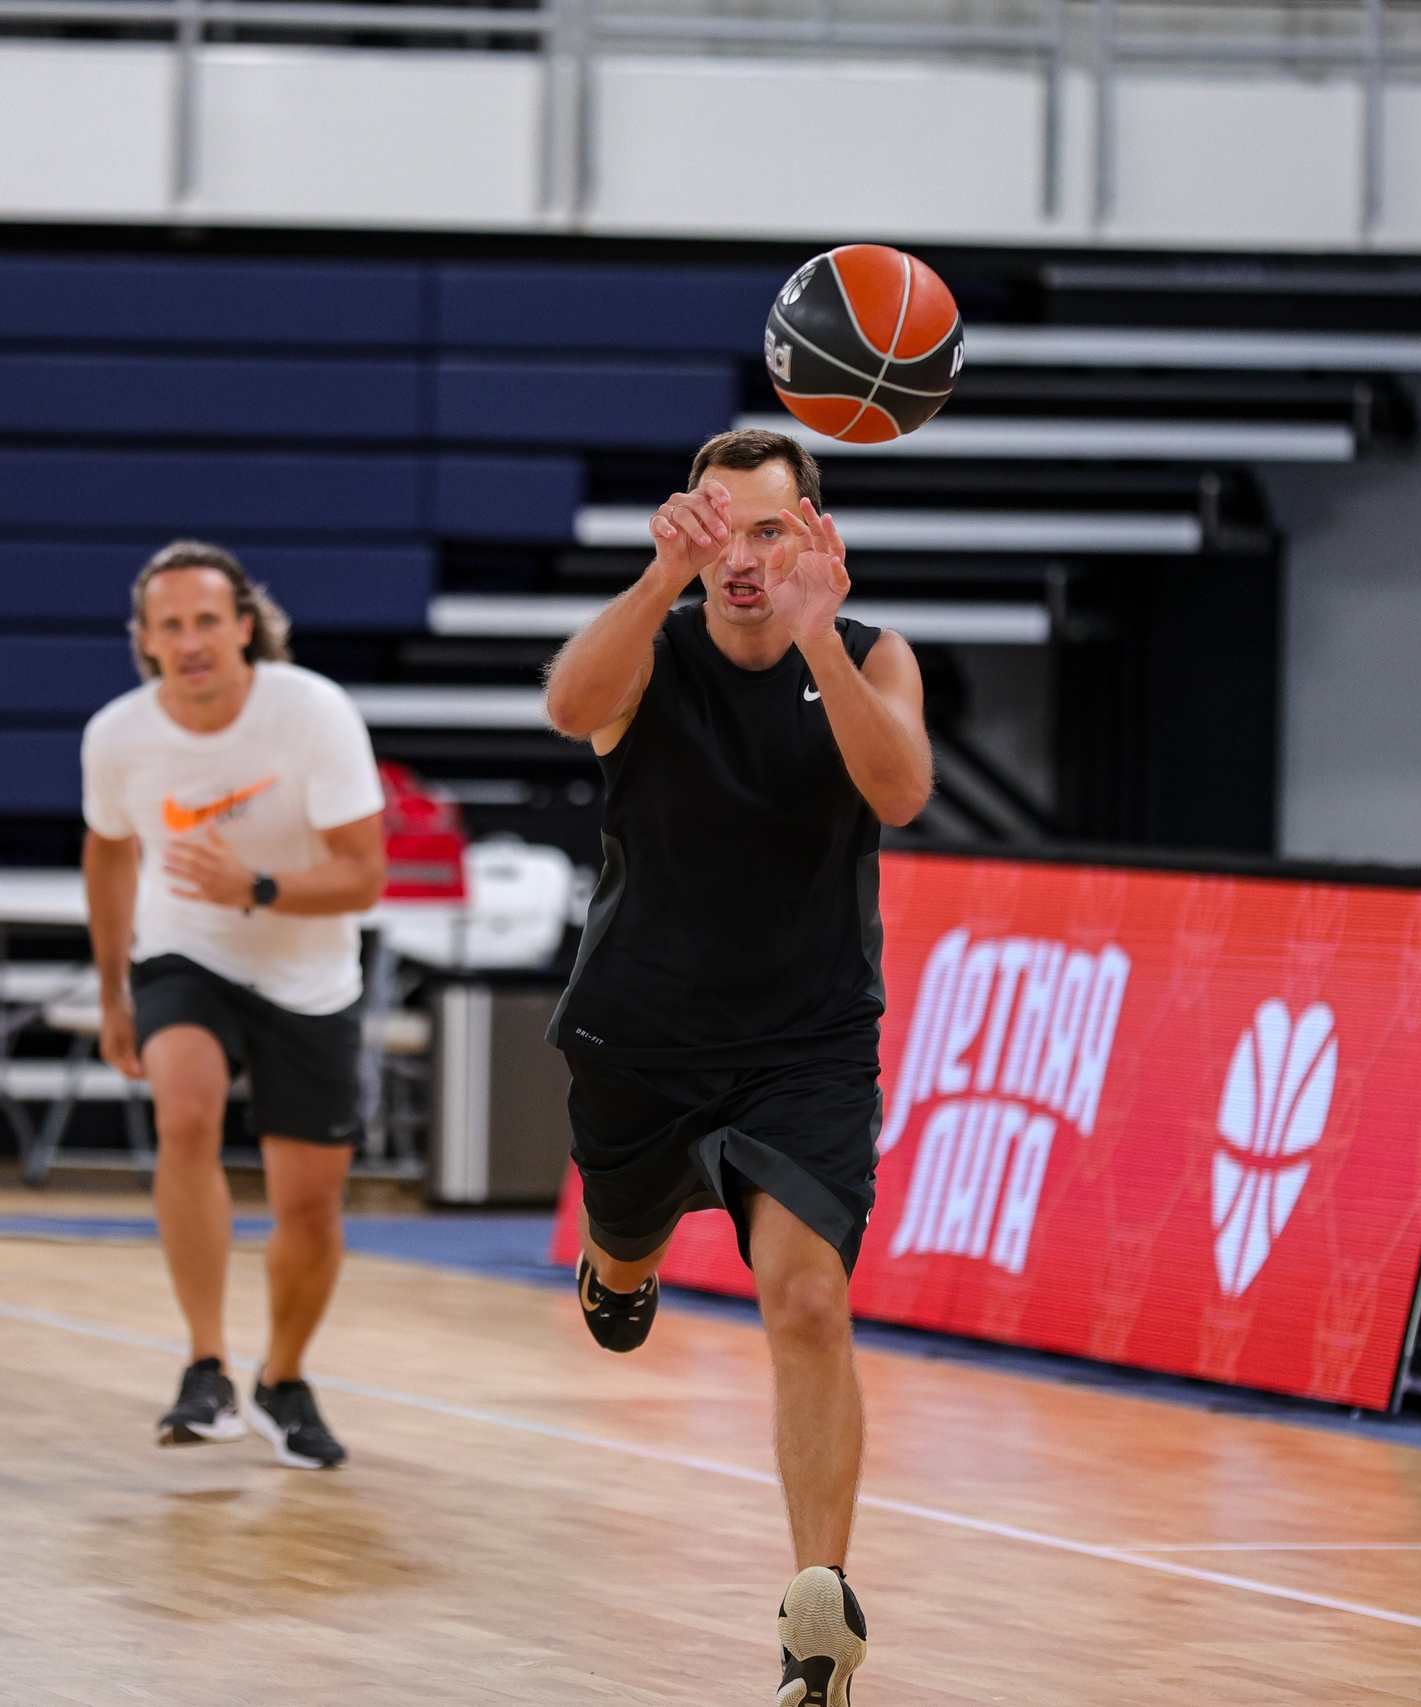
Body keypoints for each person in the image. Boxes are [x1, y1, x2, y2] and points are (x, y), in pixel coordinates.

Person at [541, 428, 934, 1707]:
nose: (743, 554)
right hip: (640, 1034)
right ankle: (621, 1260)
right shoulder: (649, 652)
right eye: (717, 526)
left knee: (809, 1300)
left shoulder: (871, 658)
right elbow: (565, 705)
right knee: (626, 1254)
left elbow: (899, 793)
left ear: (814, 539)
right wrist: (659, 579)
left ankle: (815, 1608)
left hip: (803, 1043)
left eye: (769, 529)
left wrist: (825, 636)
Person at [81, 541, 387, 1470]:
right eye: (169, 625)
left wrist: (254, 884)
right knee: (184, 1114)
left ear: (244, 626)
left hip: (306, 972)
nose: (191, 640)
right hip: (186, 956)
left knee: (309, 1206)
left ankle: (283, 1378)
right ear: (145, 642)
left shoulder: (313, 713)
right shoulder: (118, 735)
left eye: (207, 619)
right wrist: (113, 990)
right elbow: (106, 854)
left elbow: (364, 876)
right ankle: (205, 1364)